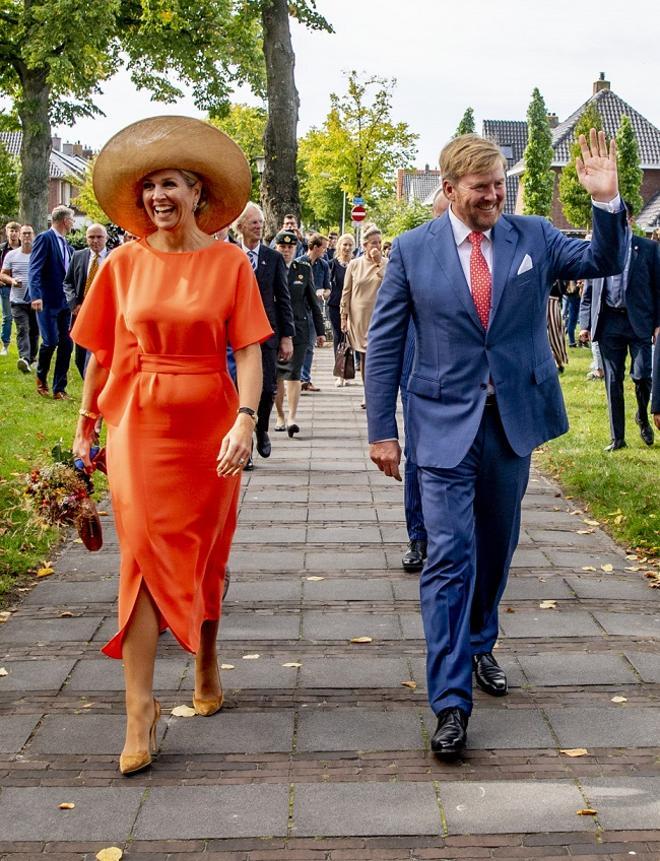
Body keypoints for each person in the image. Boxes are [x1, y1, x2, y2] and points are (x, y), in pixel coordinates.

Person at [366, 130, 626, 759]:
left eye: (499, 183)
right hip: (440, 424)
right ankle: (451, 703)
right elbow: (385, 345)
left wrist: (608, 200)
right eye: (481, 187)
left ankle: (481, 638)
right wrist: (382, 430)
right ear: (449, 189)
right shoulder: (410, 251)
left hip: (510, 423)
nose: (494, 195)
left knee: (497, 546)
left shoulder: (531, 235)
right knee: (450, 556)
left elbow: (604, 261)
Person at [70, 116, 272, 776]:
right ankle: (139, 711)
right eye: (150, 185)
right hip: (138, 422)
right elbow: (103, 350)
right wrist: (85, 427)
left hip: (211, 422)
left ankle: (207, 648)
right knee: (145, 556)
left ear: (199, 194)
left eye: (172, 184)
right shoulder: (121, 262)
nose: (159, 196)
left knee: (207, 549)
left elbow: (247, 349)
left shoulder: (229, 261)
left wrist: (245, 420)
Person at [579, 201, 660, 450]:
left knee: (642, 374)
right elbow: (590, 290)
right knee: (613, 380)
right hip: (609, 321)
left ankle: (643, 416)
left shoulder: (648, 249)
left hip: (639, 321)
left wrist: (657, 323)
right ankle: (618, 438)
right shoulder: (600, 250)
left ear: (629, 220)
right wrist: (585, 323)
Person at [400, 190, 450, 572]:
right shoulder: (413, 253)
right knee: (418, 456)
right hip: (420, 368)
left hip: (471, 379)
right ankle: (418, 536)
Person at [234, 202, 294, 461]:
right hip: (235, 333)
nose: (258, 226)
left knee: (268, 388)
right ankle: (242, 440)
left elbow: (284, 297)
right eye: (253, 222)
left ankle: (262, 428)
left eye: (260, 222)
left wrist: (287, 336)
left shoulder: (273, 258)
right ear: (241, 226)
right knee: (238, 389)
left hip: (266, 332)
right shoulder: (229, 255)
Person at [273, 230, 325, 436]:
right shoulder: (270, 268)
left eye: (290, 247)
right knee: (278, 375)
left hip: (299, 328)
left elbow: (313, 301)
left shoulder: (302, 269)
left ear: (296, 249)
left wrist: (320, 331)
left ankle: (292, 416)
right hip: (275, 328)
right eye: (282, 247)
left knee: (294, 373)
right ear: (276, 247)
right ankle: (280, 415)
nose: (286, 251)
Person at [28, 205, 75, 399]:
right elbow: (35, 268)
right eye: (72, 220)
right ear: (65, 221)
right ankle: (41, 377)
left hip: (65, 303)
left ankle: (59, 388)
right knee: (50, 341)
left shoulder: (67, 245)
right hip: (47, 301)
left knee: (67, 343)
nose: (72, 223)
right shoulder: (44, 239)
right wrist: (36, 295)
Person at [340, 223, 387, 408]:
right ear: (365, 245)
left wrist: (378, 263)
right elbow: (346, 291)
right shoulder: (354, 264)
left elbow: (391, 282)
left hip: (379, 316)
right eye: (373, 243)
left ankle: (378, 392)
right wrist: (343, 317)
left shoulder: (386, 263)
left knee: (377, 357)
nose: (376, 246)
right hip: (359, 318)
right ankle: (368, 394)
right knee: (365, 358)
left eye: (379, 243)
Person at [63, 223, 110, 378]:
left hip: (105, 314)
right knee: (80, 357)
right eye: (91, 237)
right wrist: (74, 303)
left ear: (106, 238)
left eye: (99, 237)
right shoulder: (78, 256)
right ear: (86, 238)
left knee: (101, 354)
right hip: (81, 313)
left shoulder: (114, 257)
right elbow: (68, 282)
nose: (95, 240)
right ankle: (88, 382)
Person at [1, 225, 38, 372]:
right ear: (20, 236)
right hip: (17, 300)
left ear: (33, 236)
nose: (27, 237)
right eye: (24, 234)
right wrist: (12, 281)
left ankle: (32, 358)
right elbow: (2, 274)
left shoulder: (38, 254)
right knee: (23, 328)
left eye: (29, 233)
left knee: (35, 331)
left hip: (35, 300)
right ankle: (24, 358)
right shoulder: (11, 255)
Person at [299, 234, 330, 392]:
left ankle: (305, 379)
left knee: (310, 346)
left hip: (314, 310)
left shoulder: (323, 265)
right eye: (324, 247)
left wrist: (323, 292)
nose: (326, 250)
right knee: (298, 345)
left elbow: (327, 288)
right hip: (298, 310)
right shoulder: (298, 263)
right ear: (316, 247)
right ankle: (295, 379)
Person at [328, 233, 355, 385]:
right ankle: (339, 374)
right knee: (338, 337)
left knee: (350, 339)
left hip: (353, 306)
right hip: (335, 305)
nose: (347, 247)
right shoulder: (332, 264)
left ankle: (348, 372)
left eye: (350, 245)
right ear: (339, 246)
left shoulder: (356, 264)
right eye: (344, 244)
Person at [0, 221, 21, 355]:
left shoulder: (25, 247)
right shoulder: (2, 249)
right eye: (11, 230)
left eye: (15, 230)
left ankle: (24, 346)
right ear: (6, 232)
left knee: (22, 317)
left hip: (21, 288)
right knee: (7, 317)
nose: (13, 233)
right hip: (6, 287)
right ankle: (5, 345)